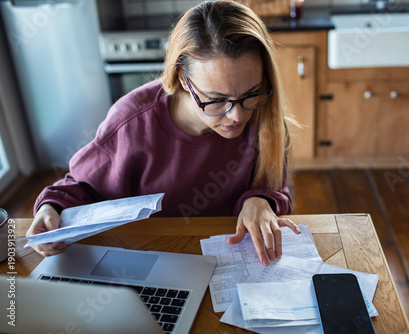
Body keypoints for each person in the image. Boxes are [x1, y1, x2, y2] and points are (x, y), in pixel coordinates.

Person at [26, 0, 301, 265]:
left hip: (231, 259)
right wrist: (51, 209)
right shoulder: (132, 122)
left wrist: (261, 200)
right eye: (217, 99)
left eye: (250, 94)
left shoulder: (266, 114)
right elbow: (81, 186)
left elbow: (274, 188)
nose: (238, 115)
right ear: (183, 79)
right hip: (149, 258)